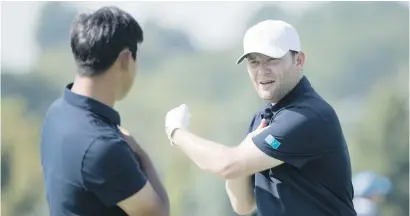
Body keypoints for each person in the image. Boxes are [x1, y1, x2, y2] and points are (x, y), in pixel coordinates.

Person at [164, 20, 357, 216]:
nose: (262, 70)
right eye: (254, 62)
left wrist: (177, 132)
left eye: (272, 59)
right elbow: (244, 205)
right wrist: (241, 158)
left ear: (298, 60)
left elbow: (228, 165)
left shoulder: (307, 116)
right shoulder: (264, 117)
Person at [40, 6, 169, 216]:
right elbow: (159, 212)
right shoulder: (103, 147)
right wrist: (139, 152)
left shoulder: (56, 114)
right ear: (126, 59)